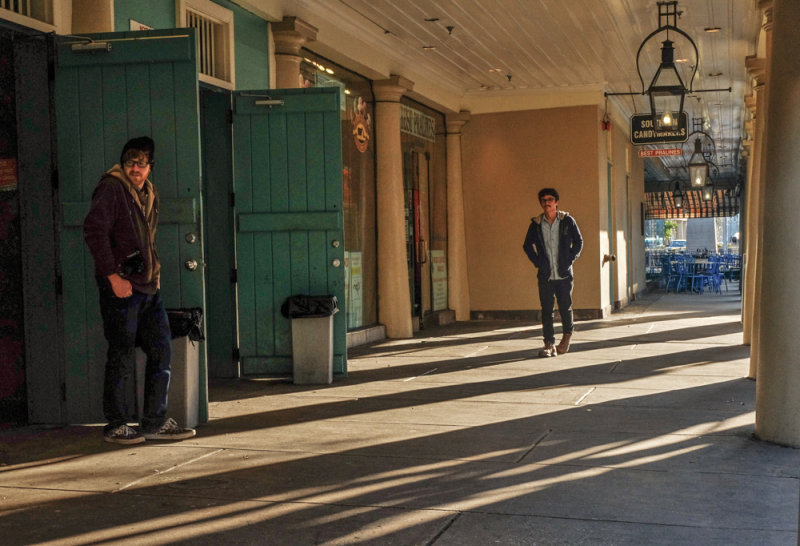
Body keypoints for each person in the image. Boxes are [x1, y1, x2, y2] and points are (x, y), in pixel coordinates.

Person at [84, 136, 196, 444]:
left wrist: (154, 275)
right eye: (131, 161)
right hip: (121, 287)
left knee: (161, 350)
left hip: (148, 288)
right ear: (123, 163)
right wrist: (112, 276)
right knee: (120, 354)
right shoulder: (111, 188)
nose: (136, 168)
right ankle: (116, 424)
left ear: (150, 167)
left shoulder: (147, 192)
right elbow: (95, 231)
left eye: (142, 163)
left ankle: (154, 422)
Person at [522, 188, 583, 357]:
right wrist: (538, 262)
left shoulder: (567, 221)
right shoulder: (536, 224)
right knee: (547, 309)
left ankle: (566, 338)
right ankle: (549, 344)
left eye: (550, 199)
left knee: (565, 307)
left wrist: (569, 259)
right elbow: (527, 245)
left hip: (563, 274)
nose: (546, 202)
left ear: (556, 202)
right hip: (546, 275)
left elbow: (579, 242)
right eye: (543, 200)